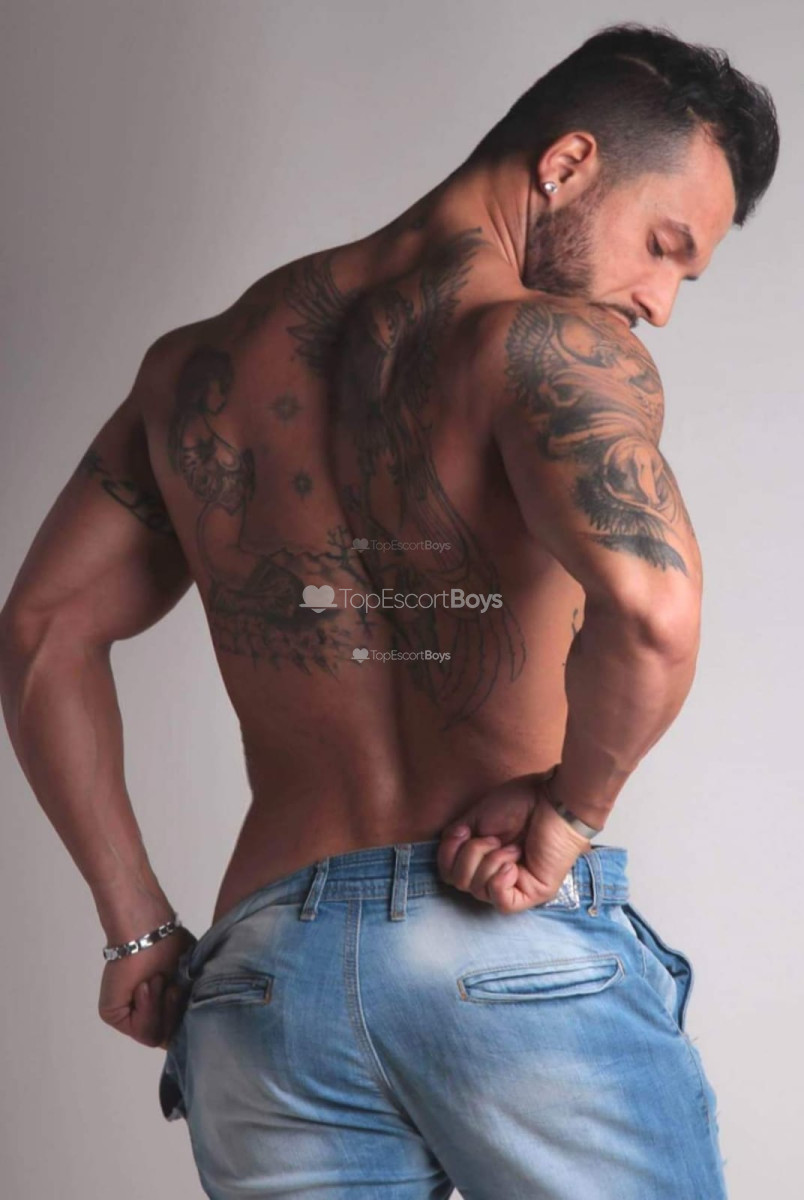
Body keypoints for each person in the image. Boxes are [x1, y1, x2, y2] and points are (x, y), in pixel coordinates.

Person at [0, 20, 778, 1199]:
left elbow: (43, 629)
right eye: (664, 247)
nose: (661, 302)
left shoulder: (197, 370)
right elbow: (653, 609)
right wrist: (567, 816)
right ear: (568, 163)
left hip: (263, 984)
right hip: (499, 944)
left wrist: (135, 923)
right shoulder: (552, 347)